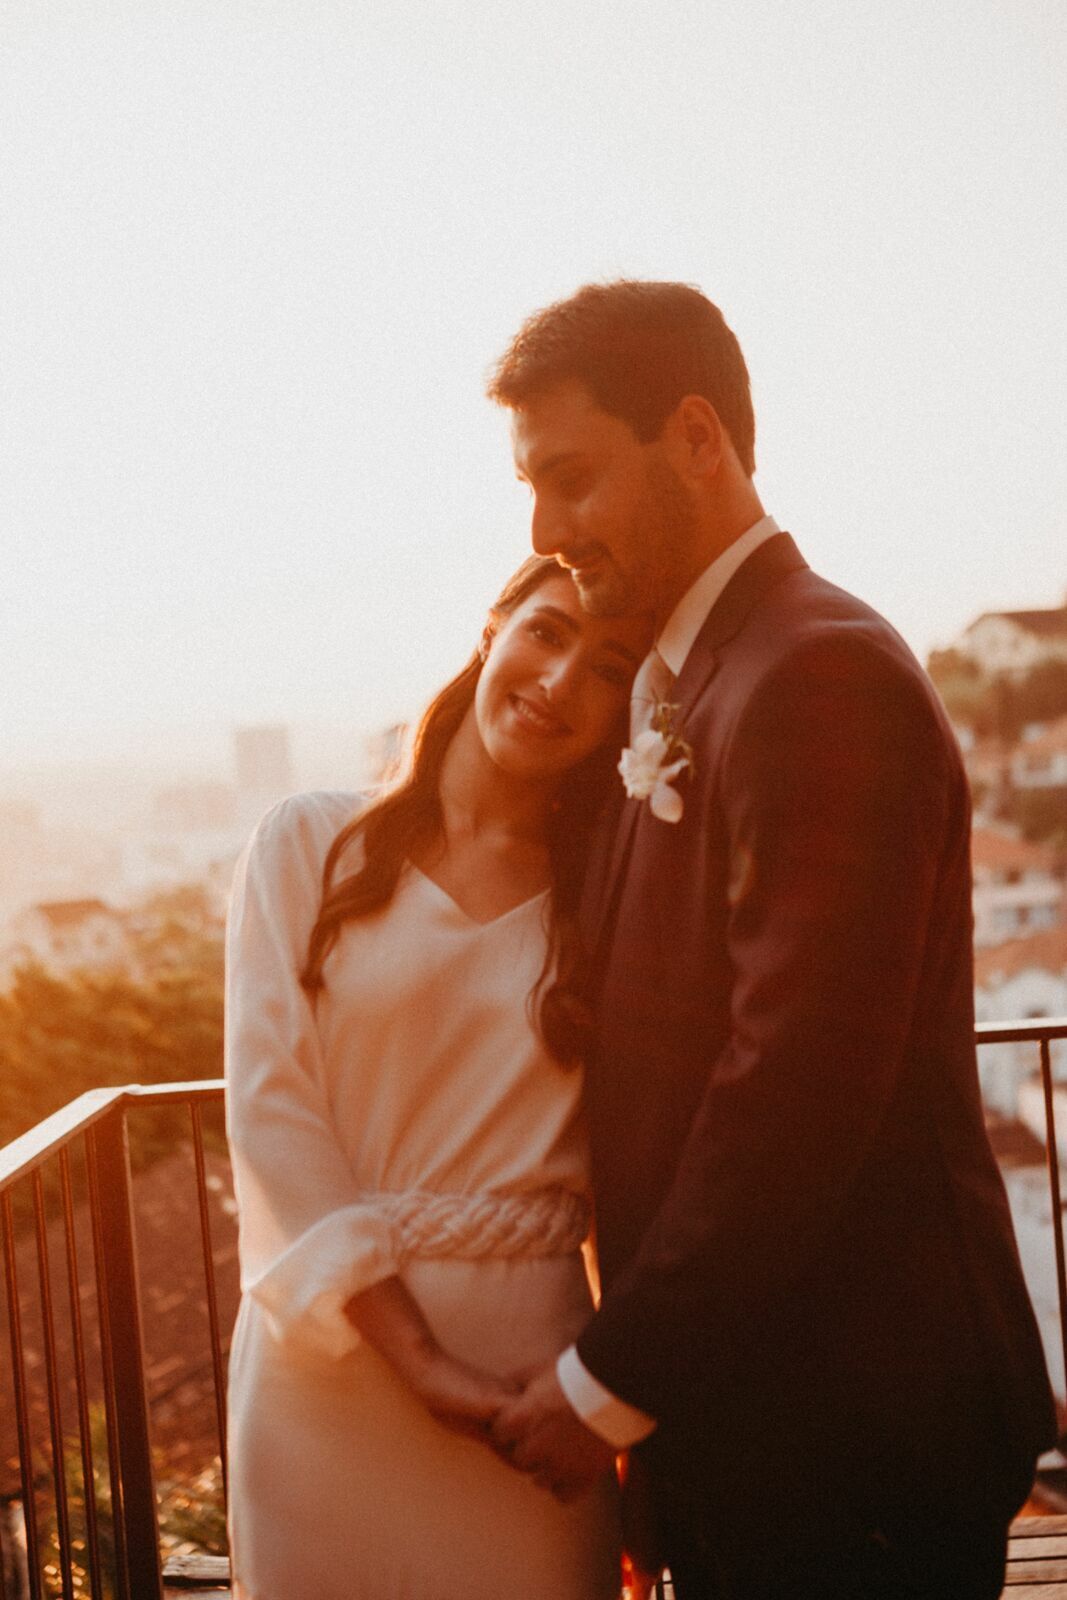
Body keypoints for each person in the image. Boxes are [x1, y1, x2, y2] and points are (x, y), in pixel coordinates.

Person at [486, 280, 1057, 1600]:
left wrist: (606, 1382)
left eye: (570, 478)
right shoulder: (691, 677)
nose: (542, 529)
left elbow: (794, 1080)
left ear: (695, 436)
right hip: (754, 1415)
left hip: (851, 1422)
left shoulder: (816, 671)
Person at [224, 554, 651, 1600]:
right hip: (328, 1373)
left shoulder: (610, 899)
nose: (557, 682)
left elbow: (644, 1155)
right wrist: (418, 1362)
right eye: (545, 633)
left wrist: (614, 1405)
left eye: (604, 668)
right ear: (490, 631)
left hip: (532, 1389)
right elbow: (271, 1112)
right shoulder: (307, 842)